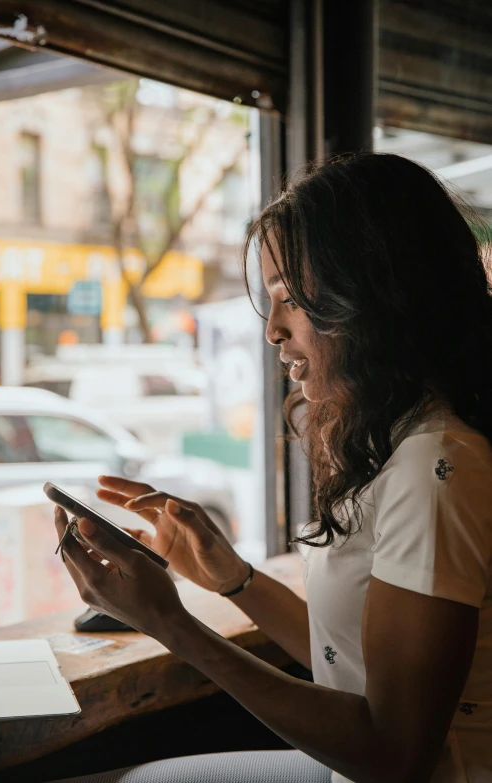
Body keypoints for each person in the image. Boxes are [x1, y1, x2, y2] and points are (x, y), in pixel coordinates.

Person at [52, 153, 492, 783]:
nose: (273, 332)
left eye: (292, 299)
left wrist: (171, 624)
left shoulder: (437, 465)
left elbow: (395, 754)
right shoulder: (400, 439)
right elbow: (349, 656)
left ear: (371, 295)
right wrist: (233, 578)